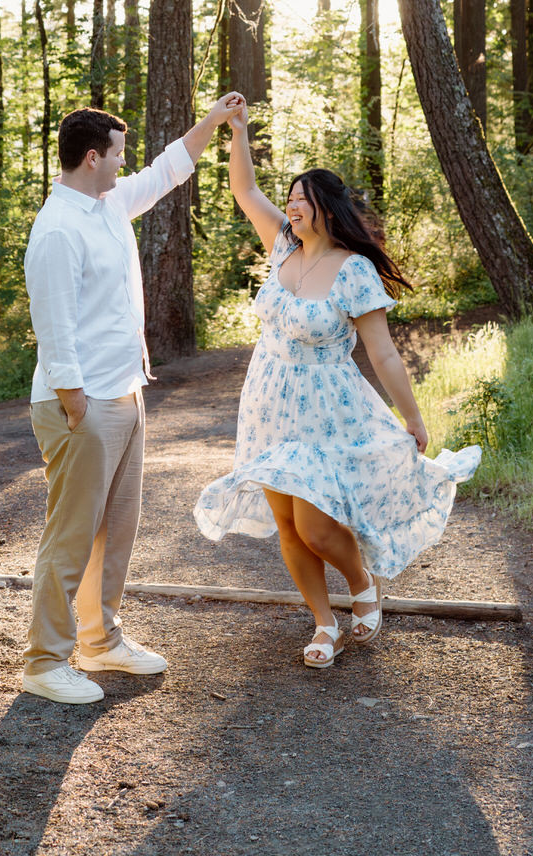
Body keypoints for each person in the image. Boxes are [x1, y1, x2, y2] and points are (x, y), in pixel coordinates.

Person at [194, 100, 481, 669]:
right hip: (267, 405)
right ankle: (324, 624)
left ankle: (362, 583)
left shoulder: (354, 269)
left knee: (316, 525)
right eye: (291, 199)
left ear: (325, 208)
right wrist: (237, 134)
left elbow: (383, 352)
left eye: (301, 199)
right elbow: (245, 191)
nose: (291, 206)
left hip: (327, 408)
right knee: (286, 524)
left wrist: (414, 418)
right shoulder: (282, 246)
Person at [23, 93, 243, 704]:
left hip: (123, 393)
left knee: (114, 531)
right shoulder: (59, 228)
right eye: (118, 155)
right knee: (71, 537)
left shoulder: (108, 204)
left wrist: (215, 121)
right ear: (93, 158)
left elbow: (167, 170)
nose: (125, 164)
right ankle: (44, 662)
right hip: (82, 403)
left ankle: (99, 639)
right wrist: (74, 404)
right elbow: (55, 326)